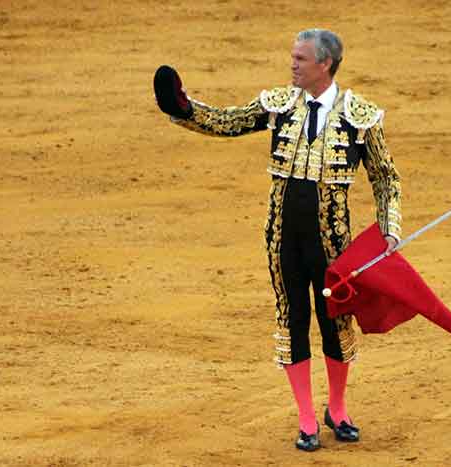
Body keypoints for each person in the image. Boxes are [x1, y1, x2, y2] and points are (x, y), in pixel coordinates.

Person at [154, 29, 401, 451]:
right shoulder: (279, 104)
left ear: (325, 64)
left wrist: (390, 227)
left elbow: (385, 178)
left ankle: (337, 409)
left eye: (301, 59)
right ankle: (307, 418)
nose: (293, 64)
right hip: (282, 237)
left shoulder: (362, 116)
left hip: (333, 242)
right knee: (292, 320)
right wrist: (183, 108)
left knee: (335, 322)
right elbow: (228, 122)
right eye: (293, 56)